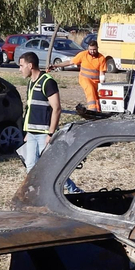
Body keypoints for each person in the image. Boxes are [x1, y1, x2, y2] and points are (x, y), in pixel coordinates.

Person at [17, 52, 81, 192]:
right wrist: (28, 131)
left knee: (52, 168)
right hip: (32, 134)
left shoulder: (47, 82)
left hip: (44, 134)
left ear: (30, 65)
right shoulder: (31, 83)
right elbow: (30, 108)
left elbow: (57, 108)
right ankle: (39, 194)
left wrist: (51, 133)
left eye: (21, 66)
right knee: (31, 166)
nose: (20, 69)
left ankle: (74, 191)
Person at [70, 37, 107, 112]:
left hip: (96, 82)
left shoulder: (101, 58)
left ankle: (98, 111)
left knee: (97, 96)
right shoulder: (83, 55)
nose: (92, 51)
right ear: (88, 48)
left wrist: (102, 84)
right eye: (90, 49)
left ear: (97, 48)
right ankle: (92, 109)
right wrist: (56, 66)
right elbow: (71, 62)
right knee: (90, 91)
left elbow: (102, 73)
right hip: (84, 79)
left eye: (94, 49)